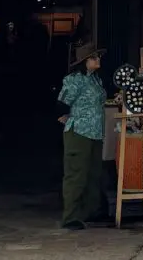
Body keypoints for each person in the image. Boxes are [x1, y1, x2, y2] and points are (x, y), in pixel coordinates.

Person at [57, 40, 107, 230]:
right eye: (94, 57)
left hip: (95, 131)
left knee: (94, 173)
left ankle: (91, 210)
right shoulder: (75, 80)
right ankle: (70, 216)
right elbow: (61, 103)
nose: (98, 59)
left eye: (98, 56)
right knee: (76, 173)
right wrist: (64, 116)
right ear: (85, 61)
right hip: (79, 131)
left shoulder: (95, 79)